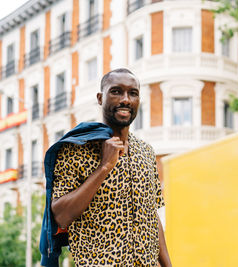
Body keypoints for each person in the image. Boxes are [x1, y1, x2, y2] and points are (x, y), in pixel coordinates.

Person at [50, 68, 172, 266]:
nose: (125, 99)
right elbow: (61, 217)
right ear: (100, 98)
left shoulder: (147, 152)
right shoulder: (75, 150)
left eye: (133, 93)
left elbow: (151, 216)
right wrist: (104, 167)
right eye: (116, 91)